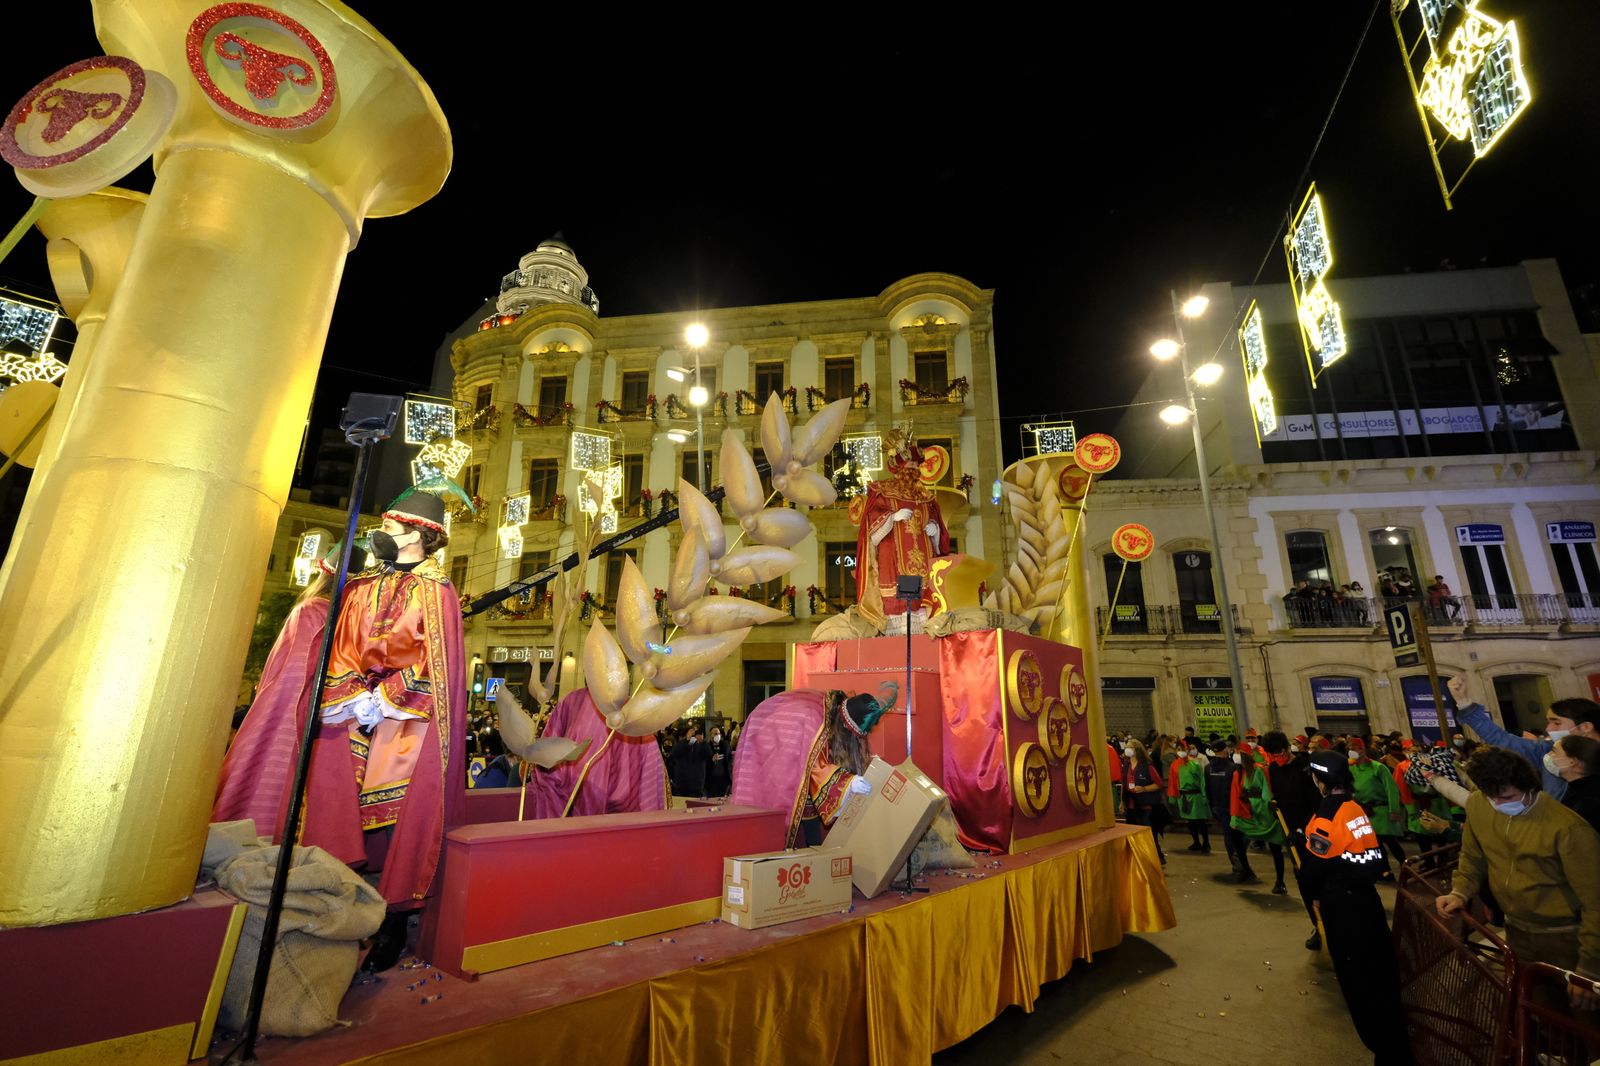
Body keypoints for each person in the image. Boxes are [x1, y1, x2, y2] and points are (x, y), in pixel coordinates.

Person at [312, 492, 468, 973]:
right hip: (352, 708)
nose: (382, 531)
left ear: (418, 535)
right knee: (339, 806)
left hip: (408, 718)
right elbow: (340, 646)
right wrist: (351, 694)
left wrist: (390, 699)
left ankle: (395, 915)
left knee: (400, 814)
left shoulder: (437, 592)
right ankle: (336, 905)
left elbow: (438, 662)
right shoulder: (360, 587)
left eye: (391, 525)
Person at [1436, 747, 1600, 1012]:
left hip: (1565, 939)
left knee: (1581, 1019)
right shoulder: (1480, 804)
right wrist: (1460, 891)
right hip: (1517, 933)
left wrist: (1589, 969)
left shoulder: (1568, 828)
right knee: (1538, 1011)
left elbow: (1596, 901)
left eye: (1508, 796)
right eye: (1491, 797)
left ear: (1529, 787)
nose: (1498, 804)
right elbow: (1472, 855)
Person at [1300, 751, 1415, 1064]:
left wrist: (1312, 901)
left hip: (1343, 907)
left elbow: (1312, 870)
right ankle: (1397, 1043)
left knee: (1361, 984)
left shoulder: (1327, 816)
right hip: (1367, 901)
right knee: (1381, 973)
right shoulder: (1355, 807)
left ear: (1319, 780)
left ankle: (1388, 1051)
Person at [854, 426, 950, 628]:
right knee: (897, 625)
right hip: (893, 564)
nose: (913, 469)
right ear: (899, 467)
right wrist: (892, 517)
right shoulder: (882, 491)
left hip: (923, 566)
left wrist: (935, 530)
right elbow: (872, 535)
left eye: (916, 465)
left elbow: (935, 527)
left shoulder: (926, 498)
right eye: (910, 465)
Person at [1449, 674, 1600, 803]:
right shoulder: (1548, 751)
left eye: (1556, 723)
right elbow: (1501, 740)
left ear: (1585, 727)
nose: (1548, 729)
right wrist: (1463, 702)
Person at [1348, 738, 1407, 877]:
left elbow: (1391, 789)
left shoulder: (1378, 767)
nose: (1353, 751)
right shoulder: (1350, 769)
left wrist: (1394, 810)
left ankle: (1405, 866)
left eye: (1356, 748)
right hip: (1365, 811)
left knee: (1390, 841)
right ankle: (1385, 871)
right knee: (1375, 844)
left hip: (1382, 810)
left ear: (1363, 749)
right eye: (1351, 748)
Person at [1229, 747, 1286, 891]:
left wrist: (1267, 809)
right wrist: (1235, 817)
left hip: (1264, 813)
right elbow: (1235, 796)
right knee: (1237, 839)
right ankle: (1246, 869)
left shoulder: (1260, 770)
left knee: (1275, 848)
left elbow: (1267, 792)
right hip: (1248, 813)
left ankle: (1280, 881)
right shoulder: (1237, 774)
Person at [1123, 739, 1168, 864]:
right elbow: (1124, 784)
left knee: (1149, 834)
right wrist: (1123, 802)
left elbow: (1158, 784)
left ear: (1137, 749)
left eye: (1130, 747)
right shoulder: (1126, 766)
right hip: (1132, 805)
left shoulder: (1147, 766)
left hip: (1146, 806)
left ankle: (1157, 857)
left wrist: (1143, 788)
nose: (1127, 749)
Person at [1549, 734, 1600, 834]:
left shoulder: (1584, 805)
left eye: (1554, 751)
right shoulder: (1578, 789)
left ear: (1572, 762)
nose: (1549, 756)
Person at [1174, 741, 1212, 853]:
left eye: (1183, 749)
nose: (1181, 752)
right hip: (1184, 796)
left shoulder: (1195, 764)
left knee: (1200, 821)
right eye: (1178, 750)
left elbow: (1201, 781)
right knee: (1190, 822)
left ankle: (1206, 843)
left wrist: (1204, 795)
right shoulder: (1176, 765)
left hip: (1195, 795)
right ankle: (1196, 842)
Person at [672, 724, 709, 799]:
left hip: (697, 783)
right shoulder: (681, 744)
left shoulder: (702, 744)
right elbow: (675, 754)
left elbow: (708, 754)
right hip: (682, 782)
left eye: (695, 732)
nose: (693, 734)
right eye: (691, 732)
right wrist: (686, 741)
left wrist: (702, 742)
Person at [706, 724, 731, 798]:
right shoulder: (707, 747)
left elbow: (729, 760)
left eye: (719, 733)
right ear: (711, 735)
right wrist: (712, 760)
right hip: (711, 779)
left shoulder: (725, 745)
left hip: (723, 779)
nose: (718, 735)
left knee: (722, 799)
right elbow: (704, 763)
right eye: (715, 734)